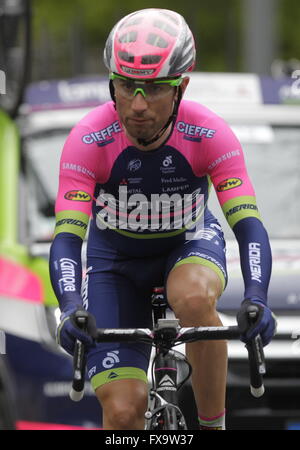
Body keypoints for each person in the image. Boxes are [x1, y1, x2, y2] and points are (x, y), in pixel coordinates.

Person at [49, 8, 276, 430]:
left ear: (181, 87)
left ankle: (212, 425)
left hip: (187, 244)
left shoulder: (209, 133)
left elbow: (248, 226)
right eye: (126, 86)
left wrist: (257, 298)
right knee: (122, 415)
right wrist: (68, 308)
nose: (137, 105)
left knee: (191, 296)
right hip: (114, 264)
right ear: (111, 83)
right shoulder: (88, 139)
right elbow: (66, 239)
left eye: (153, 89)